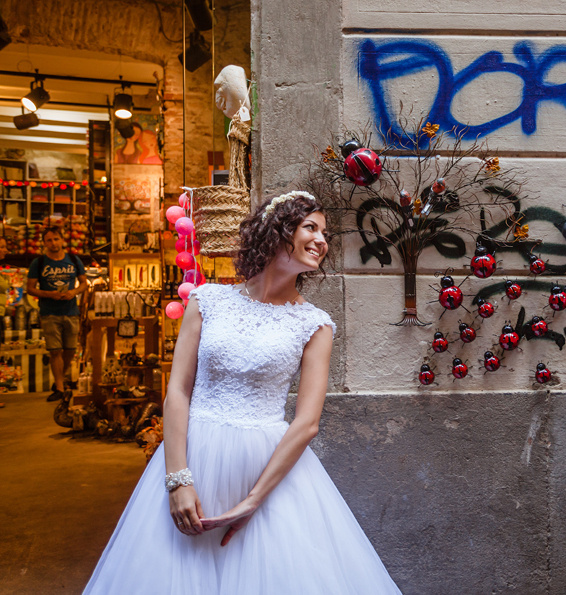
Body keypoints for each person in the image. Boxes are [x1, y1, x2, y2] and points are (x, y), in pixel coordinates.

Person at [84, 191, 402, 594]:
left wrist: (254, 501)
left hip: (267, 471)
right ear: (277, 231)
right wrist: (177, 480)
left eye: (325, 234)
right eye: (311, 228)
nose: (322, 240)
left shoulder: (315, 324)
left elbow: (307, 423)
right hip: (195, 458)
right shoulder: (207, 300)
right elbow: (178, 391)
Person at [26, 226, 87, 401]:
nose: (53, 243)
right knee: (55, 351)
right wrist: (49, 294)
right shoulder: (39, 263)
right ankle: (60, 387)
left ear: (62, 240)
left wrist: (74, 292)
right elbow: (30, 288)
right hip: (49, 313)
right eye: (49, 240)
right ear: (44, 243)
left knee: (70, 350)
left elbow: (84, 283)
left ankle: (60, 378)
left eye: (56, 239)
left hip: (71, 311)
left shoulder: (73, 260)